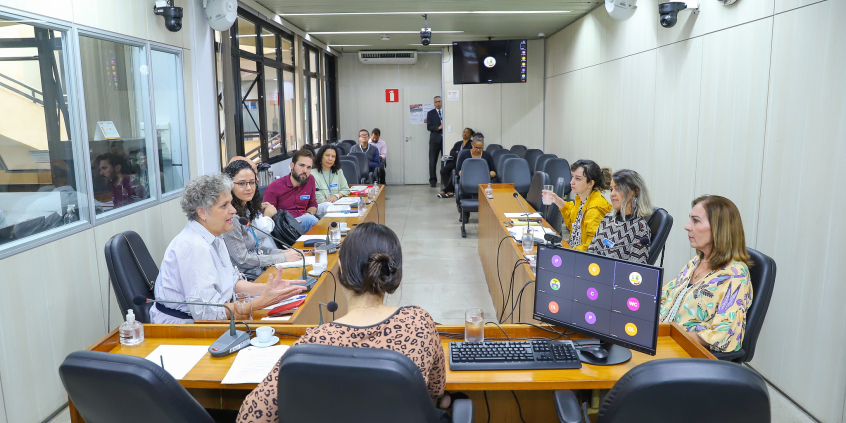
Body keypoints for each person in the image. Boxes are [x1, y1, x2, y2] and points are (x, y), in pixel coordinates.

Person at [237, 222, 446, 423]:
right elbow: (435, 389)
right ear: (394, 272)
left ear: (341, 270)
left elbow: (252, 416)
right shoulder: (419, 322)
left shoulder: (313, 343)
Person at [151, 173, 307, 324]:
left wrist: (268, 288)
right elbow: (206, 313)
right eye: (224, 205)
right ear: (202, 212)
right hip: (181, 328)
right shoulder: (193, 246)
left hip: (215, 317)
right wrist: (260, 303)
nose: (233, 210)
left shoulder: (215, 236)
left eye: (231, 203)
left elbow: (232, 283)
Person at [659, 195, 753, 352]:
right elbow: (664, 298)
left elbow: (723, 336)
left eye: (695, 221)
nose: (687, 226)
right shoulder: (696, 262)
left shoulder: (735, 275)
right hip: (662, 341)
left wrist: (668, 334)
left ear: (719, 228)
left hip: (684, 352)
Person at [220, 160, 301, 280]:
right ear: (229, 185)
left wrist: (282, 252)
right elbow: (243, 260)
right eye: (242, 183)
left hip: (258, 270)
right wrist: (283, 258)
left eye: (252, 183)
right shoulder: (231, 217)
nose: (249, 188)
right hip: (246, 279)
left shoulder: (246, 209)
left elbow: (256, 249)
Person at [585, 169, 653, 263]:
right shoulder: (607, 218)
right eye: (611, 189)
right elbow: (590, 251)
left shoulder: (640, 228)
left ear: (635, 191)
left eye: (619, 189)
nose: (612, 194)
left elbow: (635, 269)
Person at [546, 160, 612, 251]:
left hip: (581, 257)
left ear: (590, 183)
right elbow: (572, 225)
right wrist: (557, 200)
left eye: (578, 179)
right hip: (573, 250)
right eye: (572, 177)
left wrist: (567, 251)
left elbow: (591, 246)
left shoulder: (594, 210)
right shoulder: (582, 200)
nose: (571, 182)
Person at [262, 147, 320, 232]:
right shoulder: (275, 186)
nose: (305, 170)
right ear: (292, 165)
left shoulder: (310, 179)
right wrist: (290, 221)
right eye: (301, 165)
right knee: (311, 220)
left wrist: (309, 213)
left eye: (309, 167)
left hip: (303, 222)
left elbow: (313, 205)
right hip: (284, 227)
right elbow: (267, 214)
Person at [438, 127, 474, 198]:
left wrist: (458, 153)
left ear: (470, 135)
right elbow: (452, 152)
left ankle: (445, 190)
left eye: (467, 132)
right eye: (464, 132)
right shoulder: (458, 143)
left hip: (463, 163)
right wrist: (459, 153)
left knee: (453, 172)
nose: (464, 133)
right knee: (443, 170)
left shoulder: (471, 144)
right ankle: (450, 191)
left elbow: (467, 154)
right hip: (454, 161)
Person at [427, 96, 444, 187]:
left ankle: (444, 180)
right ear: (434, 103)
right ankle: (433, 181)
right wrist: (438, 128)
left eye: (439, 101)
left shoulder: (446, 112)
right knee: (433, 161)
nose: (438, 103)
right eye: (436, 102)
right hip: (434, 140)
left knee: (445, 161)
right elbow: (429, 127)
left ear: (441, 102)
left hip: (444, 140)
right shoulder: (430, 113)